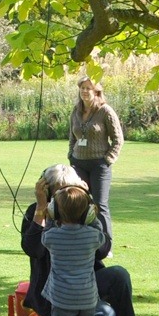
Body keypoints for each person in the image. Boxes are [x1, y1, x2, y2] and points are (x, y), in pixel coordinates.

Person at [20, 164, 147, 316]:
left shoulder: (86, 212)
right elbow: (33, 249)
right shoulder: (36, 212)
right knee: (102, 314)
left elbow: (102, 251)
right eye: (59, 192)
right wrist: (41, 210)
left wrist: (89, 208)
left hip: (83, 283)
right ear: (45, 192)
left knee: (119, 276)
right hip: (51, 290)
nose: (66, 197)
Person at [38, 183, 101, 316]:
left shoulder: (53, 236)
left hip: (62, 298)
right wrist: (92, 217)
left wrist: (48, 217)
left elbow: (44, 235)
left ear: (54, 211)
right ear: (88, 212)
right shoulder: (93, 236)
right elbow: (101, 234)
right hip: (88, 298)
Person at [67, 75, 123, 236]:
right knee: (79, 203)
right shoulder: (76, 111)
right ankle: (80, 239)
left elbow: (118, 139)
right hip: (78, 164)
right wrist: (71, 154)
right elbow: (72, 137)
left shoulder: (105, 111)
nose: (84, 91)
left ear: (96, 91)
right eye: (82, 88)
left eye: (88, 88)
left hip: (99, 165)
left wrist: (107, 159)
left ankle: (106, 244)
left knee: (100, 204)